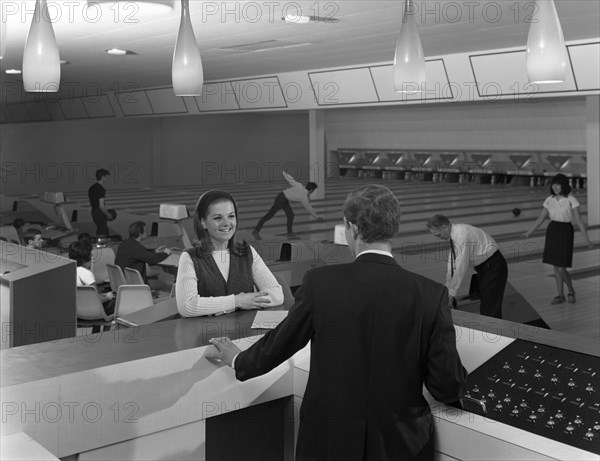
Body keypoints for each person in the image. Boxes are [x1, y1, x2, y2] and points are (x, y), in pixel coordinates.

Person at [207, 184, 466, 460]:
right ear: (393, 228)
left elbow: (281, 343)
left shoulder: (321, 283)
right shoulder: (430, 295)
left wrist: (239, 360)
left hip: (329, 440)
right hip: (401, 444)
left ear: (351, 228)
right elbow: (447, 385)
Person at [176, 190, 283, 317]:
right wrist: (238, 301)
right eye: (217, 218)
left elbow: (276, 294)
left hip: (244, 333)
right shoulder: (190, 258)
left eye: (231, 216)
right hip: (206, 334)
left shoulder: (246, 252)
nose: (226, 223)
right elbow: (187, 306)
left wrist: (247, 302)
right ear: (203, 222)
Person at [522, 173, 593, 305]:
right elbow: (541, 218)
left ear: (564, 185)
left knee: (561, 267)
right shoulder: (549, 199)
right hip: (553, 230)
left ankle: (571, 290)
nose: (555, 187)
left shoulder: (571, 199)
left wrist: (587, 239)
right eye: (553, 184)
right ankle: (560, 295)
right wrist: (529, 232)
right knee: (555, 266)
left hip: (565, 231)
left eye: (558, 184)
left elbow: (579, 220)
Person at [426, 214, 507, 319]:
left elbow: (460, 266)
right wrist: (448, 291)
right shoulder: (456, 233)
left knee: (489, 311)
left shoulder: (461, 236)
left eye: (438, 235)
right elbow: (452, 264)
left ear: (444, 227)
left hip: (493, 268)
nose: (438, 238)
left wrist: (451, 293)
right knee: (488, 306)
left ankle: (494, 334)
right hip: (488, 267)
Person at [252, 171, 325, 240]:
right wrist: (316, 217)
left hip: (283, 198)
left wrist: (284, 173)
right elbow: (309, 208)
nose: (313, 192)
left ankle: (289, 234)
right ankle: (256, 231)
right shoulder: (304, 197)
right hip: (281, 199)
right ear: (311, 190)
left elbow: (291, 180)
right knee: (269, 215)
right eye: (314, 190)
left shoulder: (300, 186)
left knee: (290, 215)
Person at [69, 241, 115, 315]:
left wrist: (104, 295)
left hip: (77, 312)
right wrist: (108, 297)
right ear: (87, 257)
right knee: (117, 301)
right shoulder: (87, 273)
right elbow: (95, 300)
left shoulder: (69, 271)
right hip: (93, 312)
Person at [88, 168, 113, 237]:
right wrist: (108, 214)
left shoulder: (92, 188)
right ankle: (101, 247)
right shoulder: (100, 189)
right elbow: (101, 205)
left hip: (94, 212)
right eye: (106, 176)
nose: (107, 178)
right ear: (103, 177)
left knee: (102, 231)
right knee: (103, 233)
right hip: (99, 212)